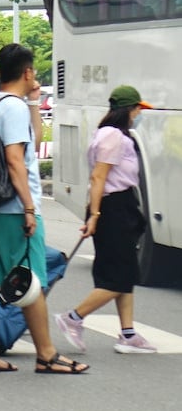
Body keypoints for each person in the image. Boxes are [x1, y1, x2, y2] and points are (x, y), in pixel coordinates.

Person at [0, 44, 88, 374]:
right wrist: (28, 207)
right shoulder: (13, 108)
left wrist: (34, 101)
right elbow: (16, 160)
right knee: (32, 280)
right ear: (28, 72)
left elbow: (31, 145)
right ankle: (47, 354)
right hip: (13, 208)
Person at [54, 85, 157, 355]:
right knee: (119, 277)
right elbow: (99, 177)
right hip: (114, 208)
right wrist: (96, 215)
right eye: (137, 109)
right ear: (128, 109)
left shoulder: (106, 133)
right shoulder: (113, 137)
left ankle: (128, 333)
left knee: (124, 273)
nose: (138, 115)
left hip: (116, 207)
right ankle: (73, 318)